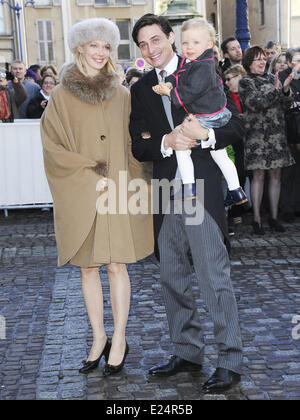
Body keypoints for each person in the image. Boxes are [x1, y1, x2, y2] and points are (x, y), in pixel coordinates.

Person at [130, 13, 244, 393]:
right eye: (143, 44)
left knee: (214, 277)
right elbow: (139, 144)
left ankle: (229, 360)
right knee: (172, 276)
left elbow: (234, 126)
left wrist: (203, 138)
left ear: (171, 39)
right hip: (165, 191)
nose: (151, 49)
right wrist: (165, 142)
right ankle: (187, 351)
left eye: (156, 39)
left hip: (201, 189)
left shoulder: (203, 70)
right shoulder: (142, 87)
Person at [41, 18, 153, 376]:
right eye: (94, 46)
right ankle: (98, 337)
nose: (101, 53)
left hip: (118, 191)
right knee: (87, 268)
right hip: (82, 192)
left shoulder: (122, 94)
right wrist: (85, 165)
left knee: (116, 264)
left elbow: (136, 142)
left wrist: (143, 180)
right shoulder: (60, 96)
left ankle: (119, 338)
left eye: (107, 47)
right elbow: (52, 147)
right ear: (79, 49)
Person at [151, 18, 247, 207]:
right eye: (185, 42)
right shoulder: (196, 61)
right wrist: (170, 81)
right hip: (213, 116)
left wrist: (170, 92)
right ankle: (236, 190)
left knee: (182, 149)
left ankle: (188, 187)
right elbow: (180, 73)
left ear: (209, 44)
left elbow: (191, 90)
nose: (189, 47)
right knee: (220, 155)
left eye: (195, 42)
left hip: (209, 118)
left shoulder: (203, 65)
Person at [239, 46, 295, 235]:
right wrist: (277, 90)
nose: (263, 62)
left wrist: (286, 91)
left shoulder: (273, 79)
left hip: (277, 136)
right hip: (257, 138)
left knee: (276, 176)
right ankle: (256, 219)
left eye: (264, 58)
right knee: (259, 176)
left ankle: (273, 217)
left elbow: (286, 104)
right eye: (258, 59)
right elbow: (255, 103)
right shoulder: (245, 82)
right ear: (249, 63)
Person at [223, 64, 248, 229]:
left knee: (244, 176)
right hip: (233, 142)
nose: (226, 83)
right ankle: (234, 214)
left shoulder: (248, 94)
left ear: (240, 76)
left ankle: (241, 210)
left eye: (229, 79)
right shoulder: (225, 96)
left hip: (250, 140)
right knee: (234, 176)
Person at [278, 47, 300, 222]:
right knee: (288, 171)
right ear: (289, 62)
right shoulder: (283, 76)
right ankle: (287, 208)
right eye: (296, 60)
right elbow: (281, 101)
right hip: (287, 128)